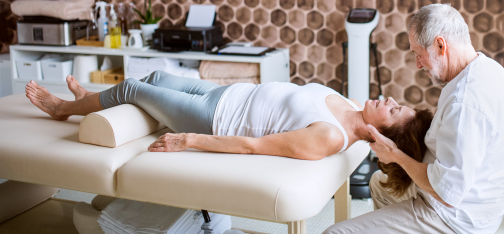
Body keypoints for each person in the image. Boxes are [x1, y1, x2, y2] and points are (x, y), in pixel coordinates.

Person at [324, 3, 504, 234]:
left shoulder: (465, 103)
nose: (418, 64)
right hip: (478, 196)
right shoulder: (488, 68)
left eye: (419, 54)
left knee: (334, 232)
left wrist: (395, 155)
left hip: (456, 217)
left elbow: (447, 192)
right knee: (380, 184)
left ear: (440, 45)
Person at [25, 71, 432, 161]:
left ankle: (64, 108)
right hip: (227, 93)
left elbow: (254, 146)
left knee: (133, 88)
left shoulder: (329, 137)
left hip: (213, 118)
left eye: (394, 110)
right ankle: (90, 97)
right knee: (155, 75)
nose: (391, 98)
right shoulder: (350, 105)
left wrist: (188, 139)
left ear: (383, 135)